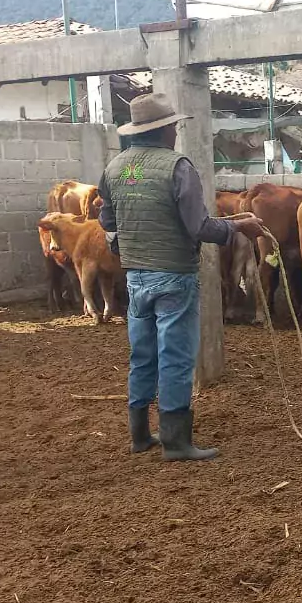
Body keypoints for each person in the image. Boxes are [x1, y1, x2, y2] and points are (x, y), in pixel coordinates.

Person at [98, 93, 267, 461]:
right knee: (175, 355)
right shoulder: (178, 167)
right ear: (164, 130)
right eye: (173, 126)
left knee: (142, 355)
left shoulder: (116, 168)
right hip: (173, 275)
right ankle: (176, 440)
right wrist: (239, 229)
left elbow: (108, 223)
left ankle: (140, 434)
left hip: (136, 277)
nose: (175, 131)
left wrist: (128, 248)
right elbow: (199, 227)